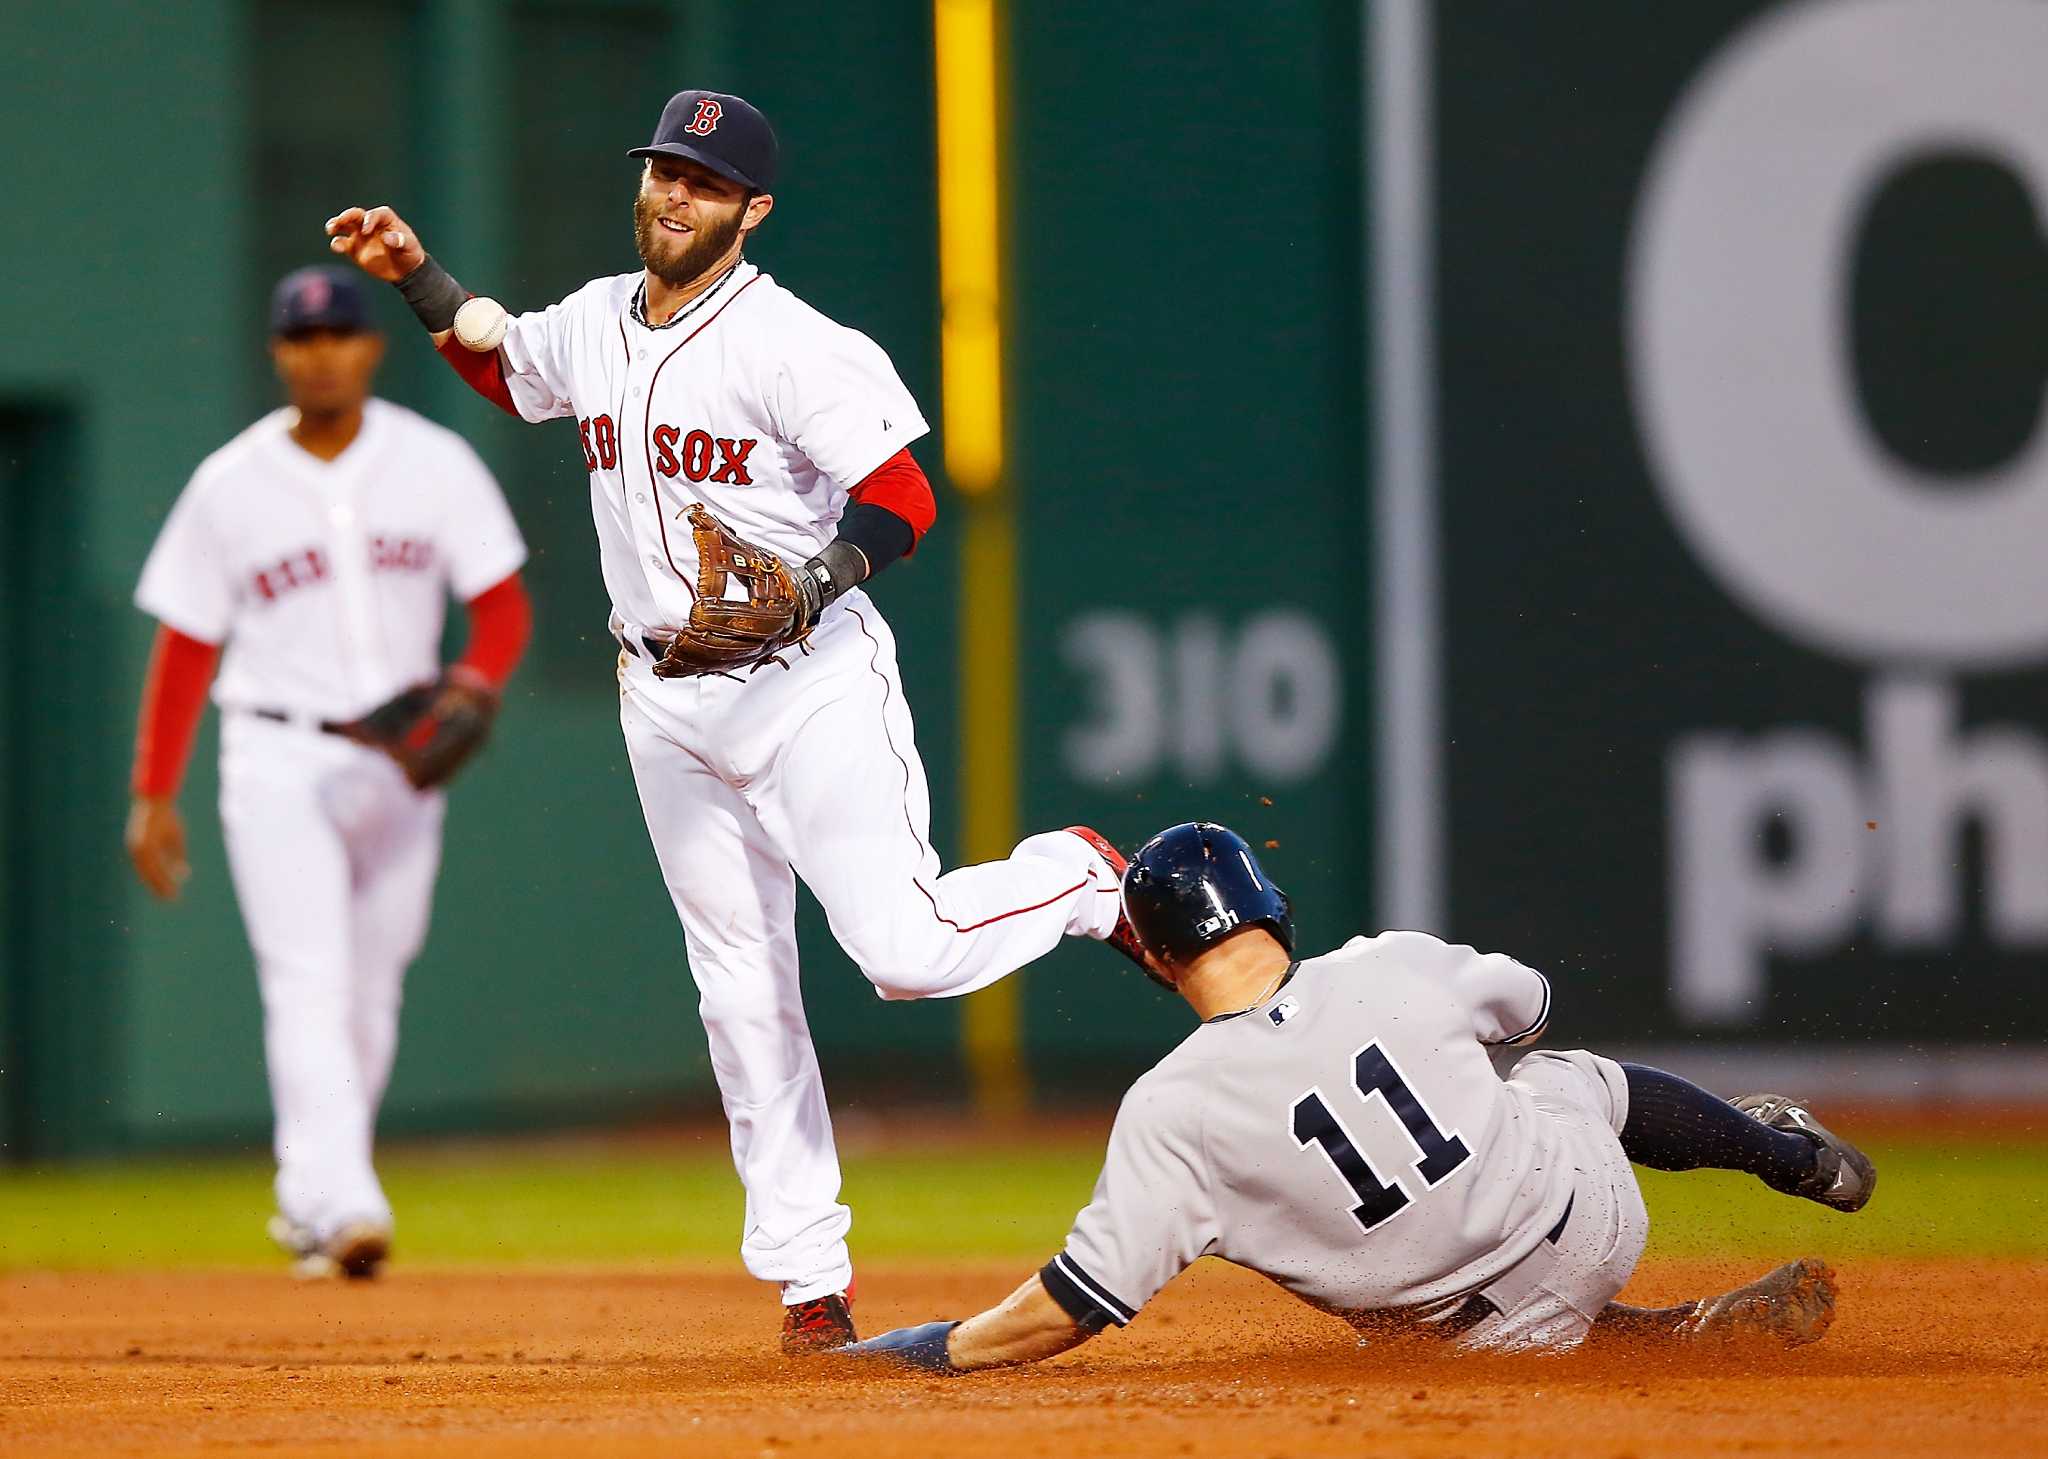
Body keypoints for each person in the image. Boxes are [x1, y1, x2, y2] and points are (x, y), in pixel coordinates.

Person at [322, 90, 1138, 1351]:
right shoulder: (596, 317)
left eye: (701, 182)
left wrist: (816, 580)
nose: (670, 194)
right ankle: (810, 1282)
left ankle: (1078, 877)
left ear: (750, 210)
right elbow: (507, 367)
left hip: (805, 680)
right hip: (660, 695)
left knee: (902, 953)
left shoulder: (795, 344)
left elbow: (902, 493)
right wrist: (415, 273)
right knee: (740, 992)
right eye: (660, 169)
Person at [842, 822, 1876, 1372]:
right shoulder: (1390, 962)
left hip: (1473, 1343)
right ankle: (1787, 1156)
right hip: (1593, 1215)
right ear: (1269, 908)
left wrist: (936, 1348)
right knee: (1562, 1078)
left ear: (1151, 959)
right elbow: (1530, 1010)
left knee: (1358, 1247)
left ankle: (1652, 1324)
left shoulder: (1170, 1110)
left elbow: (1071, 1306)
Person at [127, 266, 532, 1279]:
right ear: (278, 354)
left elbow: (502, 606)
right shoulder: (230, 483)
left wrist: (475, 684)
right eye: (300, 338)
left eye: (338, 334)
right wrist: (152, 791)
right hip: (275, 750)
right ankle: (347, 1196)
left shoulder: (431, 463)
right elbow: (185, 644)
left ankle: (310, 1196)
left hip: (400, 759)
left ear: (370, 347)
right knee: (306, 978)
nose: (320, 352)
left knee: (373, 985)